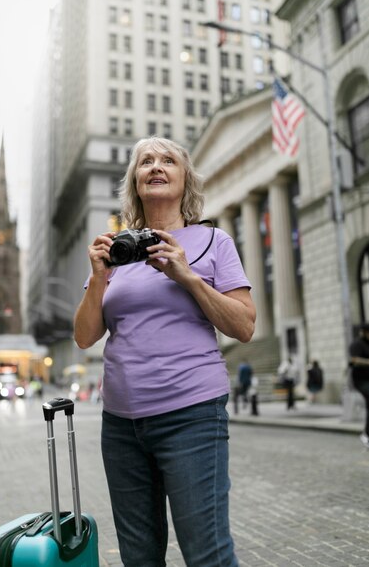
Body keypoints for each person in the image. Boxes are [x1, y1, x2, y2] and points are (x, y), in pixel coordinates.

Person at [74, 136, 256, 567]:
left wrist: (187, 276)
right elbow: (84, 337)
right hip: (120, 427)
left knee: (206, 553)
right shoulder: (117, 250)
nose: (156, 166)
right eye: (146, 161)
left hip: (191, 416)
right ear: (135, 181)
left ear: (184, 179)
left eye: (168, 160)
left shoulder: (213, 242)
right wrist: (99, 276)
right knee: (139, 557)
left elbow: (244, 326)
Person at [349, 324, 369, 448]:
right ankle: (366, 434)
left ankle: (367, 433)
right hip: (361, 380)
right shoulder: (357, 344)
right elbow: (354, 359)